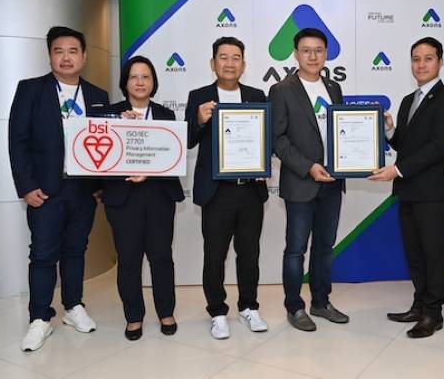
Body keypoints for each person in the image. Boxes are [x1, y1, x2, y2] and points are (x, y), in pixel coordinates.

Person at [9, 26, 109, 351]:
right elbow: (18, 141)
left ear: (84, 56)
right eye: (58, 51)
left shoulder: (97, 95)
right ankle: (39, 318)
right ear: (50, 55)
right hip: (45, 190)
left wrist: (100, 185)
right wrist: (26, 186)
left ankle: (73, 306)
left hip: (83, 190)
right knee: (42, 254)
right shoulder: (31, 90)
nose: (66, 57)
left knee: (76, 250)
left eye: (72, 51)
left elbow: (106, 142)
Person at [369, 37, 444, 338]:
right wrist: (390, 130)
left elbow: (438, 147)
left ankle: (434, 313)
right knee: (415, 252)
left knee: (432, 253)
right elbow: (405, 144)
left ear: (440, 62)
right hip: (408, 190)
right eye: (416, 59)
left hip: (431, 192)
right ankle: (419, 304)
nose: (421, 64)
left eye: (428, 58)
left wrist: (396, 170)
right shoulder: (409, 100)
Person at [185, 37, 269, 340]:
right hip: (216, 192)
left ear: (243, 65)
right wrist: (198, 119)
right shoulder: (199, 96)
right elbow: (187, 140)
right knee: (214, 255)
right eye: (223, 57)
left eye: (236, 58)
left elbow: (267, 139)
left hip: (249, 190)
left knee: (249, 253)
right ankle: (217, 311)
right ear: (213, 63)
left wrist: (263, 163)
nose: (229, 63)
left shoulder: (257, 95)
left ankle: (249, 307)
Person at [268, 27, 349, 332]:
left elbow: (342, 131)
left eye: (318, 50)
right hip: (302, 182)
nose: (313, 56)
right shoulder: (282, 90)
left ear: (326, 54)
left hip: (333, 181)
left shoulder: (334, 87)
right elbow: (277, 139)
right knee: (296, 250)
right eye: (306, 50)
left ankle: (321, 302)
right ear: (296, 54)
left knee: (325, 247)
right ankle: (295, 307)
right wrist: (308, 167)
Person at [101, 55, 185, 341]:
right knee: (128, 259)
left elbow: (172, 155)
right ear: (125, 82)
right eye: (134, 77)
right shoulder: (110, 114)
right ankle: (133, 316)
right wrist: (120, 126)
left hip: (158, 194)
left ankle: (166, 312)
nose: (139, 82)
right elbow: (100, 154)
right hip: (123, 196)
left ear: (153, 82)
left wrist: (150, 171)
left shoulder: (166, 115)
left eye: (145, 77)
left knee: (161, 257)